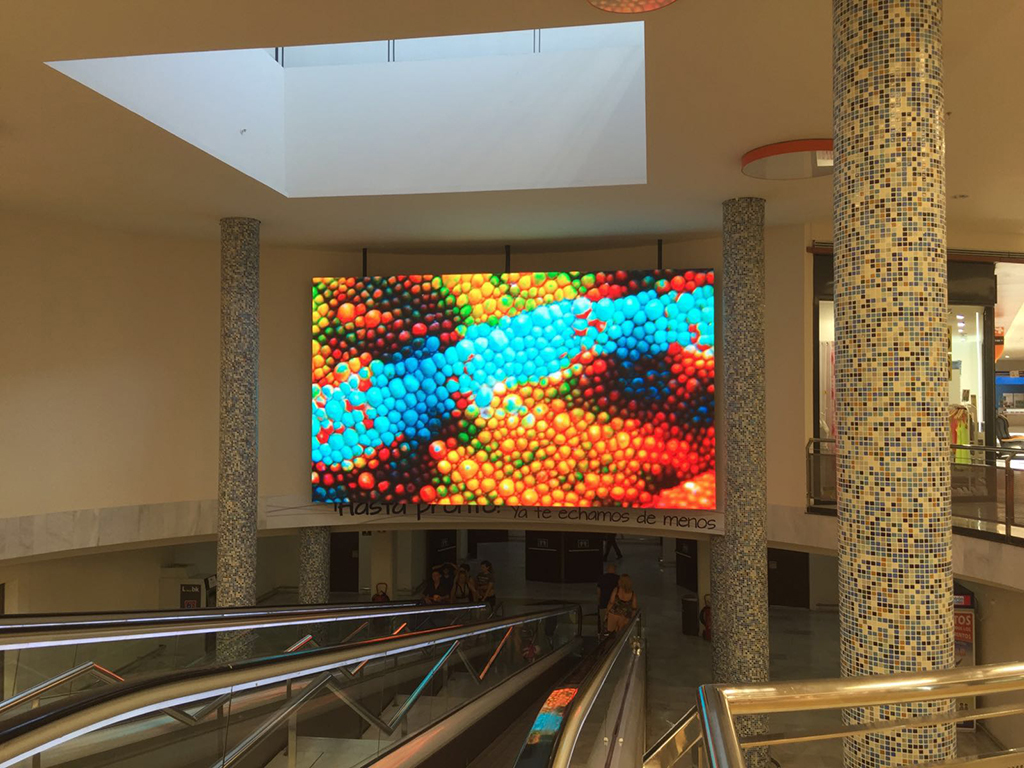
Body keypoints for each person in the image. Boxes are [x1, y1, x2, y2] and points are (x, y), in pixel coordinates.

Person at [596, 563, 619, 637]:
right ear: (614, 570)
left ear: (607, 569)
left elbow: (598, 591)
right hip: (615, 606)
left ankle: (603, 637)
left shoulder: (601, 578)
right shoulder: (618, 578)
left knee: (603, 622)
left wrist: (599, 601)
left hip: (603, 603)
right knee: (614, 625)